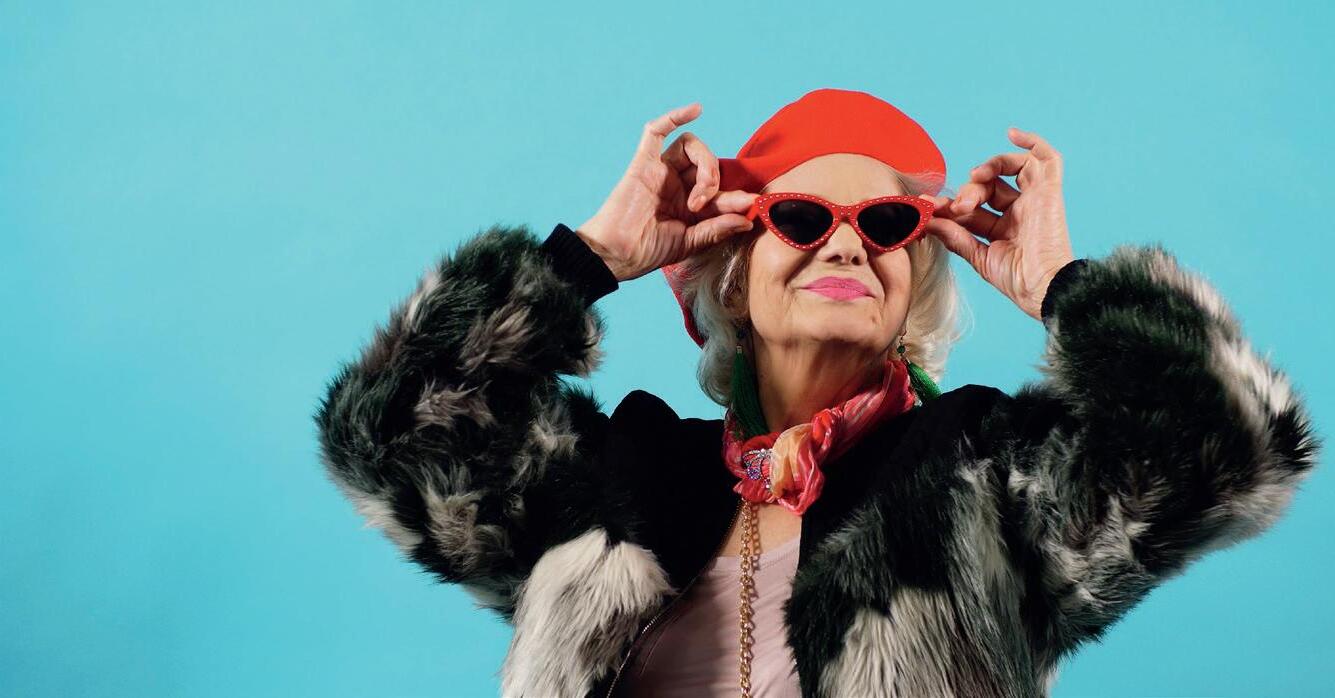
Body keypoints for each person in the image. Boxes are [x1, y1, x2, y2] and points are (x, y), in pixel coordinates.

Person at [314, 88, 1323, 697]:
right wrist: (587, 259)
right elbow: (389, 436)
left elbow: (1232, 448)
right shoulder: (618, 476)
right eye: (799, 216)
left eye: (885, 224)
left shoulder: (984, 479)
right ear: (731, 280)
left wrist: (1064, 285)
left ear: (911, 283)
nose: (845, 243)